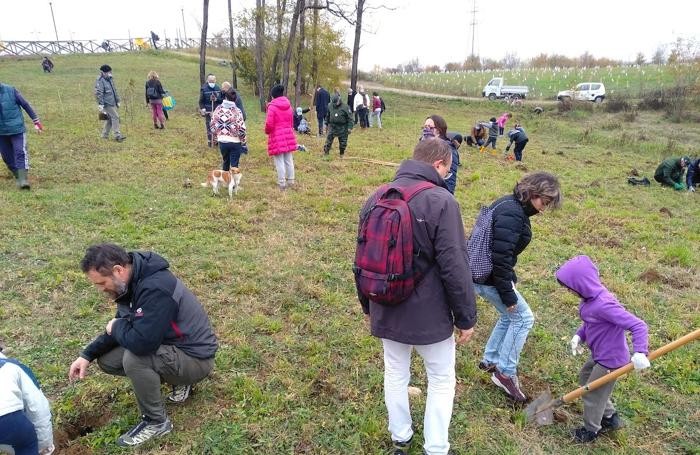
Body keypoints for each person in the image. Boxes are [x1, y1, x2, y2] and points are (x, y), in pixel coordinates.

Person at [356, 138, 477, 455]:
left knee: (395, 373)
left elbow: (362, 258)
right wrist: (466, 318)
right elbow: (455, 266)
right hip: (430, 316)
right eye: (448, 169)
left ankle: (401, 438)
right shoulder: (443, 201)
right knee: (440, 378)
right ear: (439, 164)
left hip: (384, 304)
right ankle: (436, 447)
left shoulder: (375, 196)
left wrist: (367, 304)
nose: (448, 175)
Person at [68, 243, 218, 447]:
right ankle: (176, 379)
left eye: (102, 283)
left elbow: (142, 343)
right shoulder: (129, 283)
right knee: (108, 360)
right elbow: (120, 327)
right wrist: (87, 355)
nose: (101, 289)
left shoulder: (155, 287)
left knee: (136, 358)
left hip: (196, 359)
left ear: (118, 270)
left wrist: (118, 326)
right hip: (170, 345)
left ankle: (157, 422)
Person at [472, 172, 562, 402]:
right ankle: (505, 373)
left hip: (484, 274)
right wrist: (508, 294)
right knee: (523, 318)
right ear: (533, 193)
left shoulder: (510, 204)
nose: (543, 209)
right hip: (489, 277)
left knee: (508, 316)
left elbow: (501, 251)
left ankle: (490, 360)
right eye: (544, 202)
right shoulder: (512, 213)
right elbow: (500, 257)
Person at [555, 255, 650, 443]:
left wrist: (640, 352)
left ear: (581, 284)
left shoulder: (605, 305)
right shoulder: (590, 299)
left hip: (611, 360)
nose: (569, 291)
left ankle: (591, 430)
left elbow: (639, 326)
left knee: (592, 392)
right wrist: (579, 336)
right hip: (599, 354)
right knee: (585, 377)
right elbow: (590, 322)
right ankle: (610, 417)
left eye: (569, 287)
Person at [0, 346, 55, 455]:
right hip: (7, 419)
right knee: (25, 443)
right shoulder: (13, 366)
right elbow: (38, 408)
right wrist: (44, 445)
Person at [0, 82, 43, 190]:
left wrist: (36, 121)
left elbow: (25, 104)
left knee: (20, 151)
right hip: (1, 132)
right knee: (6, 156)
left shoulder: (11, 90)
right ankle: (18, 174)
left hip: (17, 129)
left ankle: (23, 180)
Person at [264, 84, 298, 190]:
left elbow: (269, 124)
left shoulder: (272, 107)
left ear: (273, 95)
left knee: (279, 161)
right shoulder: (289, 105)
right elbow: (292, 122)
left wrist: (267, 131)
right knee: (288, 159)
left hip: (277, 136)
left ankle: (282, 183)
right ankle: (291, 180)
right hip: (288, 134)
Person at [210, 89, 247, 171]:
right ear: (235, 99)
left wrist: (216, 136)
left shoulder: (218, 109)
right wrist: (243, 141)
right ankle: (233, 183)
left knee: (225, 161)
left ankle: (225, 180)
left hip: (222, 141)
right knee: (234, 165)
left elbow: (212, 125)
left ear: (225, 98)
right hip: (235, 142)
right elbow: (241, 129)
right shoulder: (237, 111)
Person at [422, 115, 459, 195]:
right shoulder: (423, 146)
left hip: (437, 196)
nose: (426, 130)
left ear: (439, 130)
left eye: (430, 127)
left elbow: (449, 182)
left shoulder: (448, 150)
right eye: (425, 127)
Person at [95, 64, 125, 142]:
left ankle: (104, 136)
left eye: (110, 72)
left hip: (113, 102)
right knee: (116, 117)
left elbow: (114, 90)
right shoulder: (100, 81)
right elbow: (99, 93)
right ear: (103, 72)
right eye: (108, 72)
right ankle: (117, 135)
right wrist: (101, 104)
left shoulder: (110, 79)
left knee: (110, 120)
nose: (110, 73)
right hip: (106, 103)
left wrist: (117, 100)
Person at [199, 74, 223, 147]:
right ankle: (210, 142)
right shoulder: (204, 89)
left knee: (218, 126)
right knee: (209, 127)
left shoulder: (218, 88)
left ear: (215, 80)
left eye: (213, 80)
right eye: (210, 80)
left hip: (217, 111)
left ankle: (216, 141)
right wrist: (203, 109)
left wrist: (217, 99)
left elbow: (222, 100)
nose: (212, 82)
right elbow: (201, 101)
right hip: (208, 112)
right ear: (207, 81)